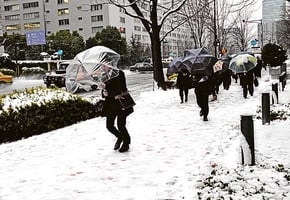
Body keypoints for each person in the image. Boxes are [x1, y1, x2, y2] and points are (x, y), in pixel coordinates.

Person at [101, 67, 134, 153]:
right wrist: (104, 93)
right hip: (111, 105)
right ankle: (120, 137)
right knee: (109, 126)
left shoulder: (119, 73)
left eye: (104, 65)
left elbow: (121, 87)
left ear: (110, 64)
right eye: (102, 66)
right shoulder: (104, 76)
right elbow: (105, 92)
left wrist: (107, 87)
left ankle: (126, 143)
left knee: (121, 125)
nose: (102, 68)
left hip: (120, 103)